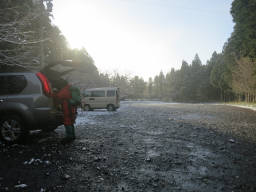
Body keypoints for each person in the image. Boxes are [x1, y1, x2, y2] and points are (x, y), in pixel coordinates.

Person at [52, 79, 81, 143]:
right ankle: (72, 136)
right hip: (72, 108)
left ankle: (69, 137)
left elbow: (58, 96)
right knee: (71, 122)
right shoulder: (69, 88)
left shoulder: (65, 89)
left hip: (67, 108)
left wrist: (53, 92)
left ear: (62, 84)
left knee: (67, 122)